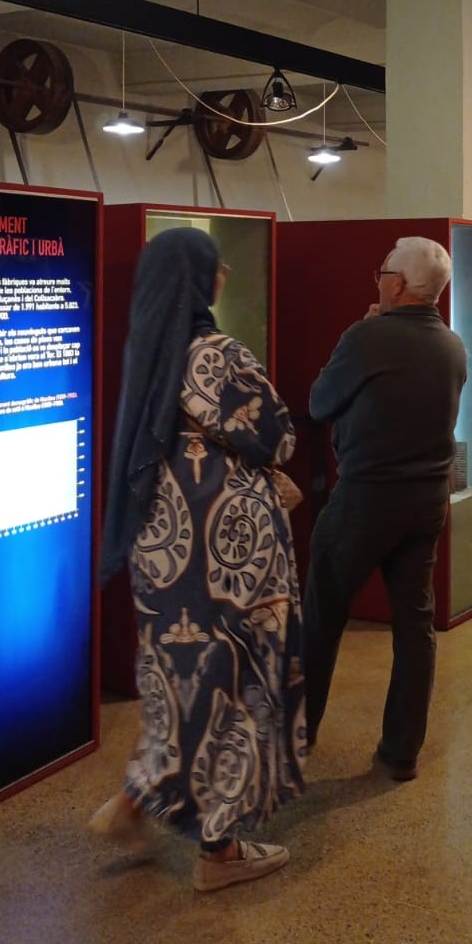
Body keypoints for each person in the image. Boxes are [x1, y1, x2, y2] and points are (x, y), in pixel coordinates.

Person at [90, 228, 305, 892]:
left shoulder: (149, 352)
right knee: (237, 687)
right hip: (230, 557)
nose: (225, 272)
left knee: (176, 680)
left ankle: (137, 797)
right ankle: (221, 851)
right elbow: (278, 436)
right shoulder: (217, 353)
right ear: (196, 279)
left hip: (163, 548)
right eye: (215, 265)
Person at [302, 236, 466, 781]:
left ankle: (296, 737)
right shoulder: (452, 346)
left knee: (321, 617)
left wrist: (362, 330)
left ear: (397, 284)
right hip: (426, 503)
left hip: (364, 501)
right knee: (415, 625)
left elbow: (319, 402)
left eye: (382, 272)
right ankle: (401, 751)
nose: (378, 279)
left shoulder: (366, 337)